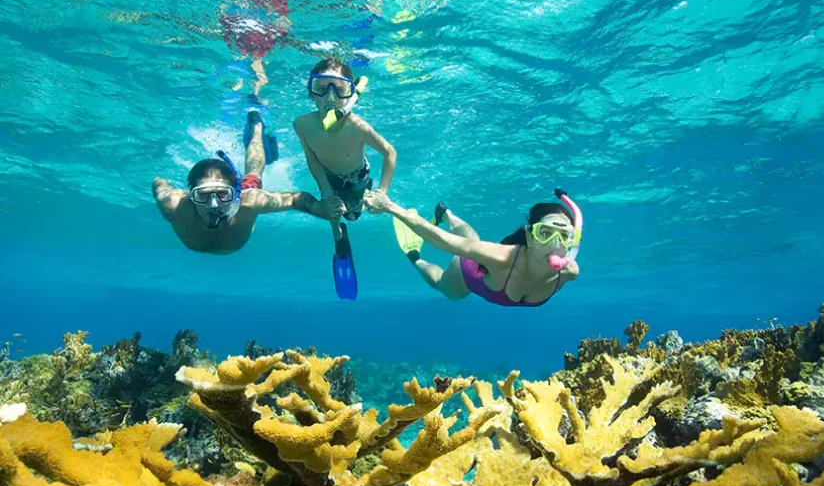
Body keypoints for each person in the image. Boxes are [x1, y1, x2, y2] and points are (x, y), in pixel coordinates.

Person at [152, 110, 343, 254]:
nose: (213, 204)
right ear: (191, 195)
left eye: (222, 194)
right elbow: (158, 183)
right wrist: (163, 185)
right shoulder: (173, 205)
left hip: (243, 193)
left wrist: (320, 209)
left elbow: (296, 199)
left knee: (252, 175)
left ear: (235, 191)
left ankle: (257, 125)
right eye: (203, 196)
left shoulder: (249, 201)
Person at [363, 189, 582, 306]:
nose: (555, 244)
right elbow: (443, 241)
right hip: (468, 271)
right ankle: (415, 257)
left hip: (483, 259)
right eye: (545, 233)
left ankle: (447, 215)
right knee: (447, 289)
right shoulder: (503, 258)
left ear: (574, 241)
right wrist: (390, 207)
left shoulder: (569, 273)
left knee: (473, 240)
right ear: (529, 236)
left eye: (565, 236)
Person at [293, 57, 397, 299]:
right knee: (332, 212)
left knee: (353, 215)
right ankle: (338, 237)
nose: (329, 97)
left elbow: (390, 153)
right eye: (321, 88)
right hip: (328, 174)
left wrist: (382, 192)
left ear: (349, 93)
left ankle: (360, 198)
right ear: (311, 93)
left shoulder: (358, 126)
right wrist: (326, 192)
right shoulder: (302, 124)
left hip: (356, 175)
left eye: (339, 89)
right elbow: (313, 160)